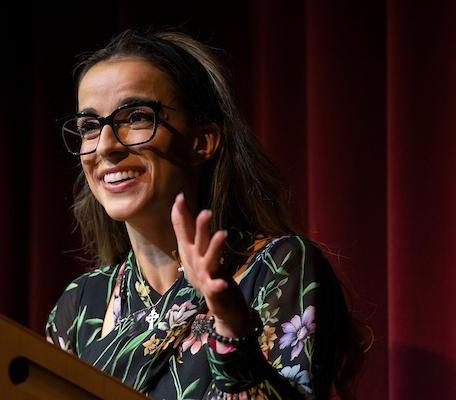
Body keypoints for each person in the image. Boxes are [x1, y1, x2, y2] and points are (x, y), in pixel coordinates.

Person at [46, 29, 365, 399]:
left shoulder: (276, 267)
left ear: (202, 141)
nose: (105, 146)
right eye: (89, 126)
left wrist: (231, 329)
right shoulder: (82, 301)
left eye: (135, 117)